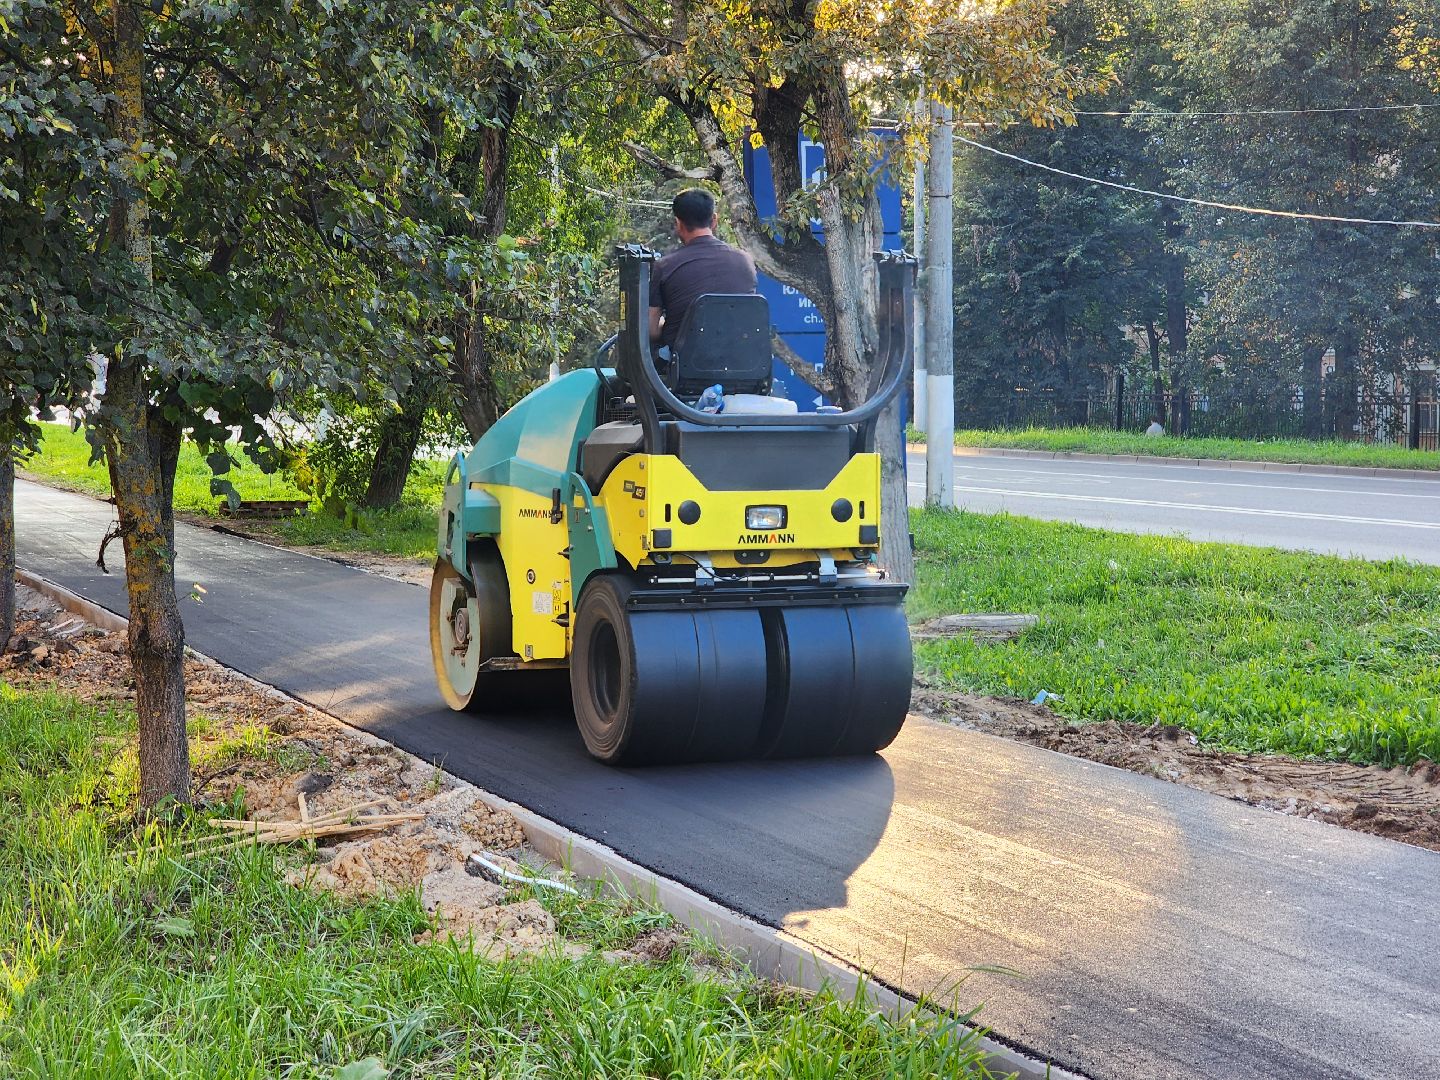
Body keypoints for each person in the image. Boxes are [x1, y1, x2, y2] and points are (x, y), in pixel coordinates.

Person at [648, 189, 757, 353]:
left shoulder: (664, 266)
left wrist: (665, 323)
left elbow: (651, 331)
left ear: (678, 223)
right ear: (714, 220)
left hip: (684, 370)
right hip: (741, 365)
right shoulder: (745, 261)